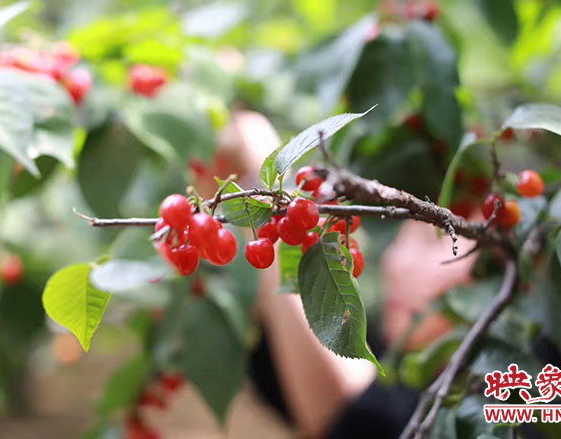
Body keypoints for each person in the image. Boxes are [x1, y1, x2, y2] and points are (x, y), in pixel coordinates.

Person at [197, 110, 479, 438]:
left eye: (434, 239)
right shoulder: (394, 359)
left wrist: (262, 187)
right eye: (405, 235)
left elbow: (354, 419)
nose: (396, 262)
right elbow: (286, 373)